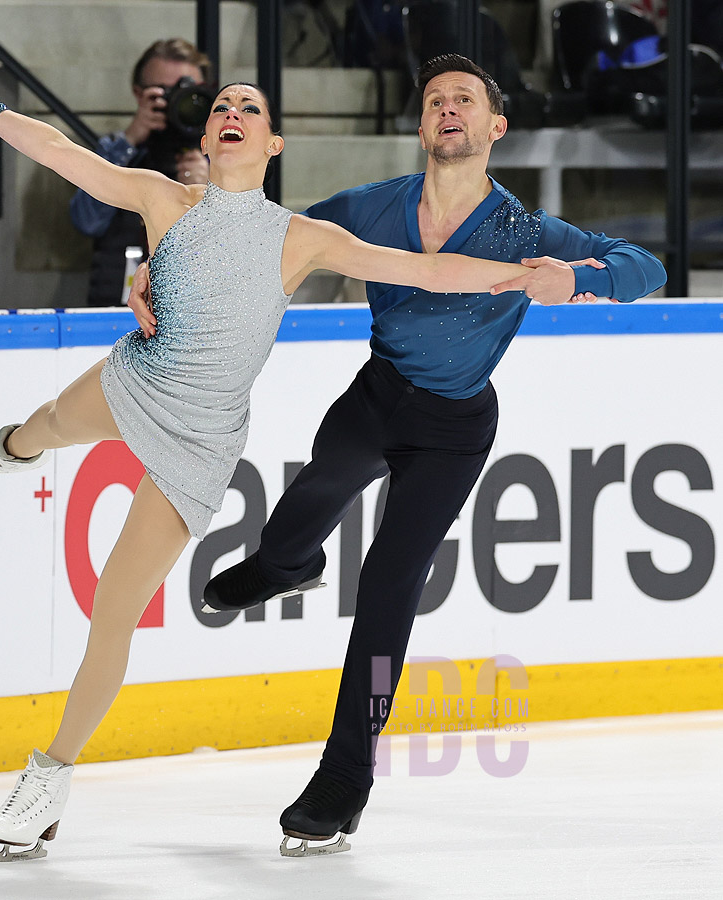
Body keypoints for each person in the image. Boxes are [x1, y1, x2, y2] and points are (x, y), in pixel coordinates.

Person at [0, 50, 566, 862]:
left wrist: (526, 275)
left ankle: (49, 776)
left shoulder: (302, 237)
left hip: (199, 440)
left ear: (273, 144)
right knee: (41, 425)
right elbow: (62, 155)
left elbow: (423, 268)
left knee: (114, 610)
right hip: (135, 378)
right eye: (222, 105)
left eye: (249, 107)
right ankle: (10, 449)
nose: (232, 113)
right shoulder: (160, 199)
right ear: (208, 137)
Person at [144, 54, 667, 856]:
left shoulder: (527, 233)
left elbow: (648, 267)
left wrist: (576, 277)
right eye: (433, 100)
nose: (447, 108)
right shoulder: (369, 207)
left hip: (453, 430)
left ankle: (344, 777)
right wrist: (163, 269)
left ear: (496, 126)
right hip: (376, 396)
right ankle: (285, 562)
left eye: (464, 99)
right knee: (312, 494)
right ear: (421, 126)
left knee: (388, 587)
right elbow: (260, 242)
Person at [70, 38, 212, 306]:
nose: (175, 103)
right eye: (164, 93)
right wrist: (130, 140)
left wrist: (209, 192)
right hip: (116, 314)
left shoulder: (222, 160)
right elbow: (86, 221)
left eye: (187, 92)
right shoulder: (114, 151)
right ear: (139, 93)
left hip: (194, 315)